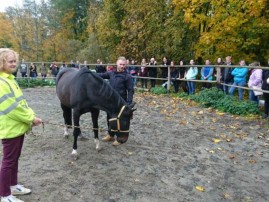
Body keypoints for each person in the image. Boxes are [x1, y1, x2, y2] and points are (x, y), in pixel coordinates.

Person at [0, 48, 42, 202]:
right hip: (10, 127)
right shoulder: (1, 83)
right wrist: (31, 118)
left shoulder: (10, 79)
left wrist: (32, 116)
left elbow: (21, 103)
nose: (14, 64)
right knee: (8, 160)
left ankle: (12, 186)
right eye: (10, 61)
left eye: (14, 61)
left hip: (18, 126)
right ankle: (4, 195)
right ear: (1, 62)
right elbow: (12, 109)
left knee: (14, 158)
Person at [98, 56, 134, 146]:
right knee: (109, 118)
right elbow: (100, 75)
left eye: (124, 65)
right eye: (120, 64)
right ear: (117, 64)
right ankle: (110, 135)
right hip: (110, 101)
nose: (122, 66)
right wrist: (89, 73)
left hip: (121, 102)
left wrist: (129, 103)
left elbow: (130, 90)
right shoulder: (111, 73)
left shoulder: (127, 76)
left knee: (120, 121)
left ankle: (119, 138)